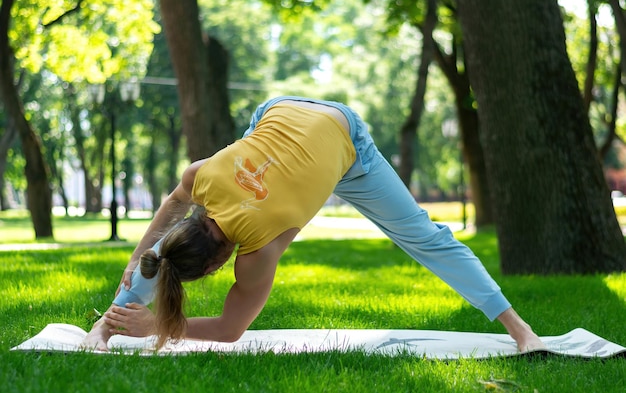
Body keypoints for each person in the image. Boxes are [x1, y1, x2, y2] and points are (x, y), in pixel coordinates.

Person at [83, 96, 545, 352]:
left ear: (216, 266)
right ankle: (106, 324)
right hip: (280, 109)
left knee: (423, 236)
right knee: (162, 254)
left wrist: (159, 327)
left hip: (347, 141)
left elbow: (229, 330)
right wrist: (134, 258)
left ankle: (522, 331)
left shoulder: (259, 252)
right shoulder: (200, 175)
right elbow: (168, 218)